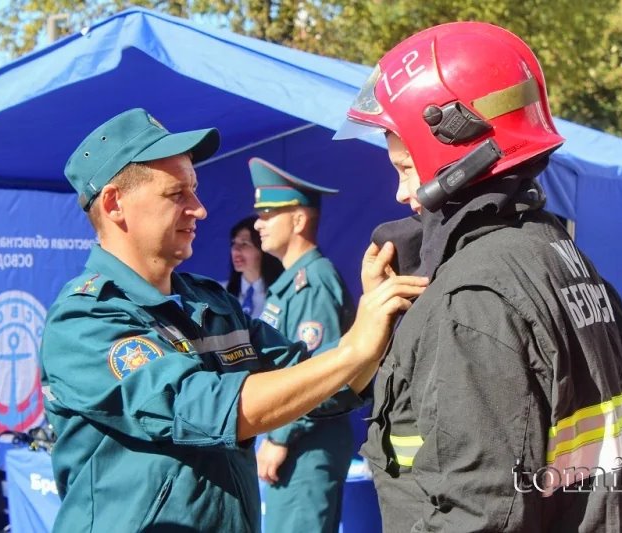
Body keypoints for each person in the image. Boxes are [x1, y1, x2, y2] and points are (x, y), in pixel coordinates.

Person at [39, 108, 428, 532]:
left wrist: (378, 317)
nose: (200, 210)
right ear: (115, 204)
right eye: (177, 195)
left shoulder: (210, 303)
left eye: (195, 191)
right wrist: (353, 348)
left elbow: (314, 382)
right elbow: (207, 408)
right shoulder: (86, 319)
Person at [335, 22, 622, 532]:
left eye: (406, 168)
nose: (399, 194)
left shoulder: (473, 300)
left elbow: (481, 516)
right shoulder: (562, 257)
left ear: (452, 158)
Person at [247, 157, 355, 533]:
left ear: (297, 220)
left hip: (305, 443)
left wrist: (279, 437)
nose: (258, 223)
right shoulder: (292, 282)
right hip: (295, 439)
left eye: (267, 213)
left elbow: (320, 375)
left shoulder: (313, 282)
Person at [226, 215, 284, 318]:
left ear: (263, 249)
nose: (235, 250)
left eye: (244, 244)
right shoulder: (222, 293)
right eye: (233, 243)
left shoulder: (281, 294)